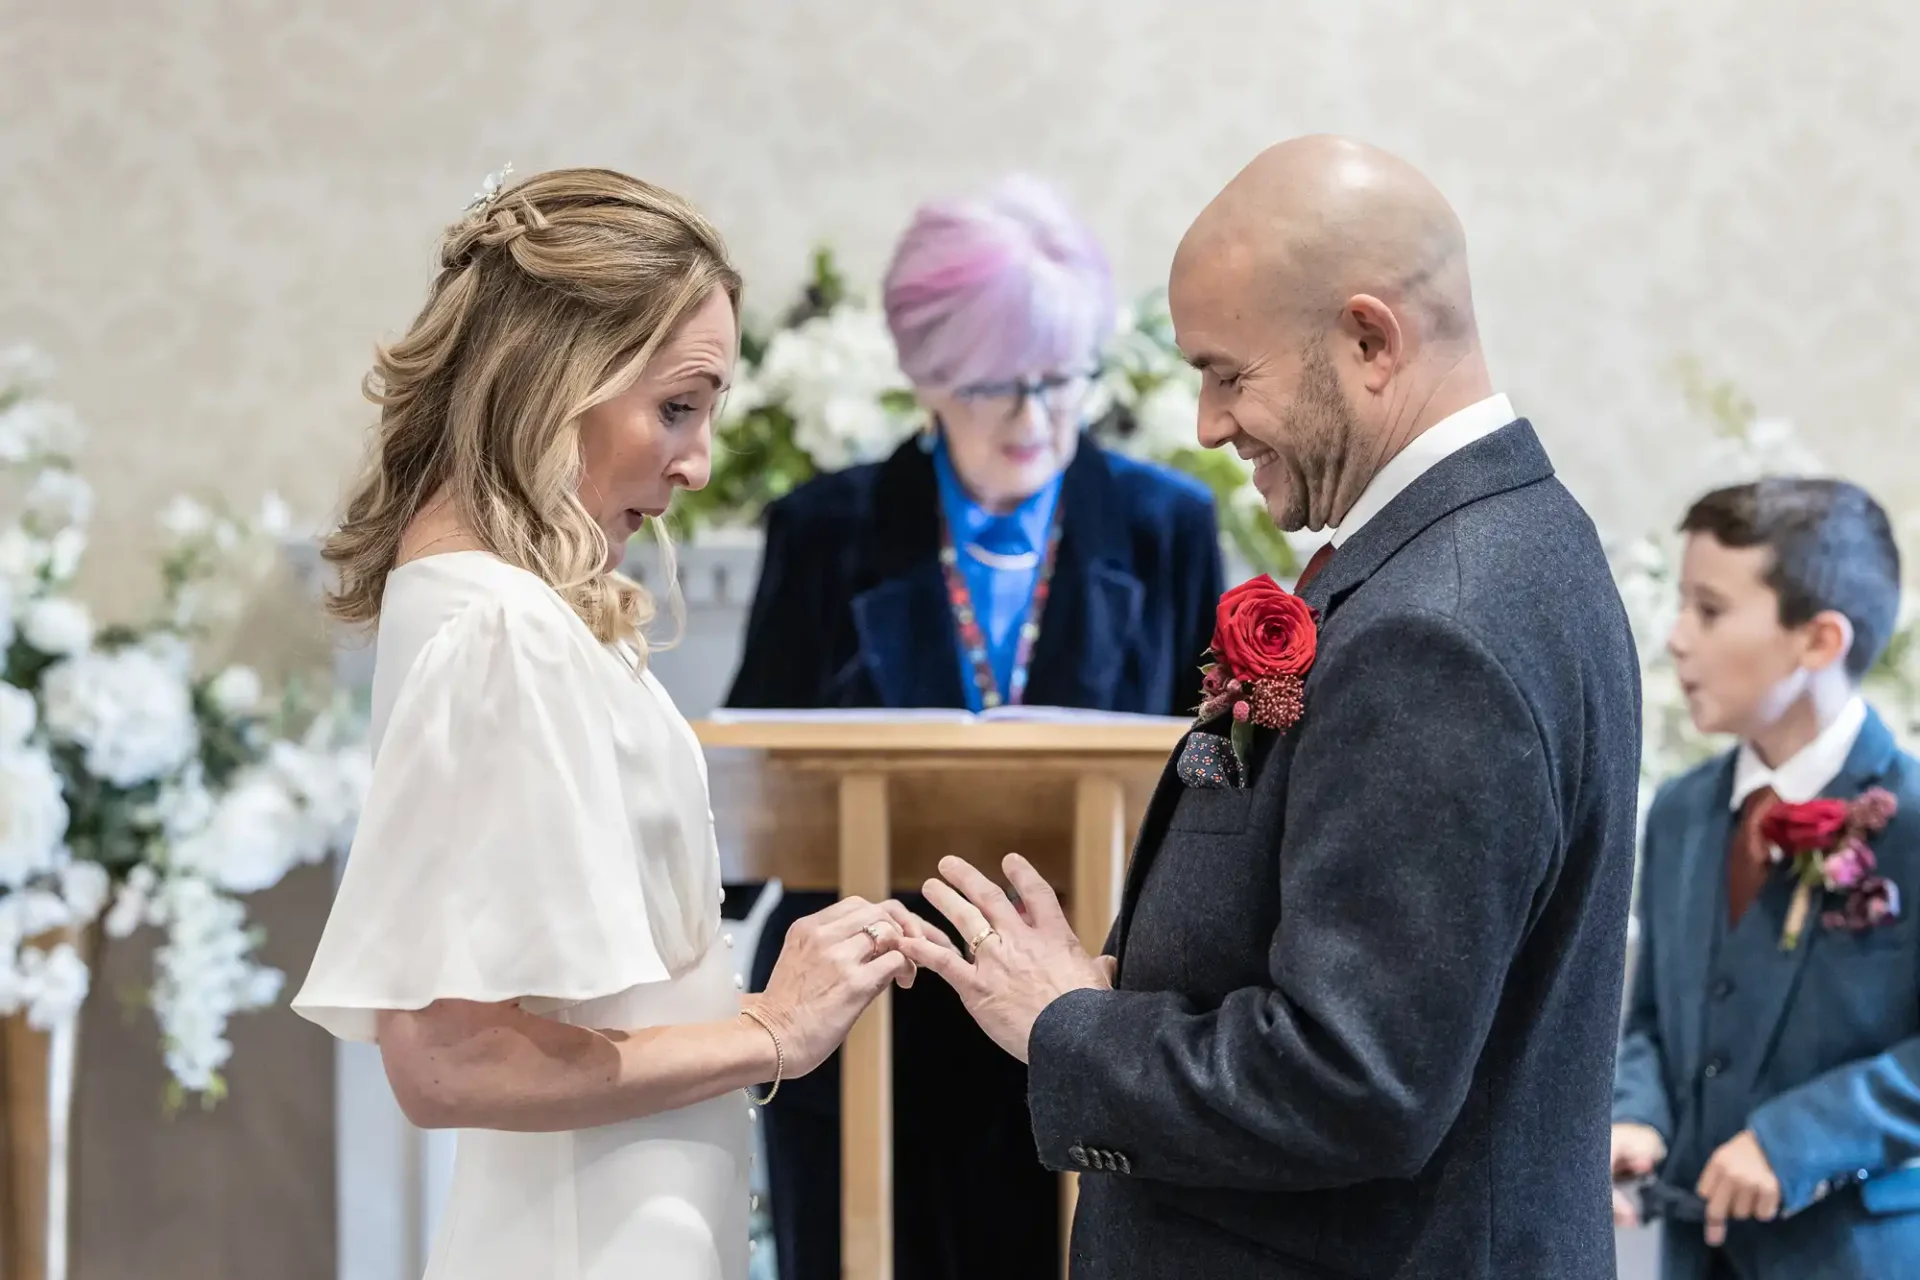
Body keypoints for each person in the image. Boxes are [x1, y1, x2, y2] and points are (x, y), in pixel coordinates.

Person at [899, 135, 1643, 1279]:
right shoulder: (1502, 540)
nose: (1205, 421)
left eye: (1228, 373)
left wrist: (1068, 1023)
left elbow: (1354, 1078)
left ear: (1368, 340)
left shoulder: (1434, 622)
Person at [290, 167, 938, 1280]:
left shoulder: (499, 610)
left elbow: (591, 1006)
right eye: (676, 405)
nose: (694, 464)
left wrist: (766, 998)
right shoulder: (505, 631)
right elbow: (448, 1057)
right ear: (554, 377)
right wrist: (771, 1031)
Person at [725, 176, 1223, 1280]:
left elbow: (1216, 780)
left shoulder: (1165, 524)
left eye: (1062, 379)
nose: (1037, 417)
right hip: (868, 1007)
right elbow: (758, 783)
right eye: (999, 385)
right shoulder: (824, 530)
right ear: (926, 372)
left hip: (1080, 1004)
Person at [1611, 479, 1920, 1280]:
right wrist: (1637, 1114)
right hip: (1688, 1254)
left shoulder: (1914, 819)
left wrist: (1798, 1140)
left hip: (1855, 1256)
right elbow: (1649, 1015)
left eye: (1709, 611)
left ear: (1819, 640)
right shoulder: (1679, 811)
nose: (1676, 639)